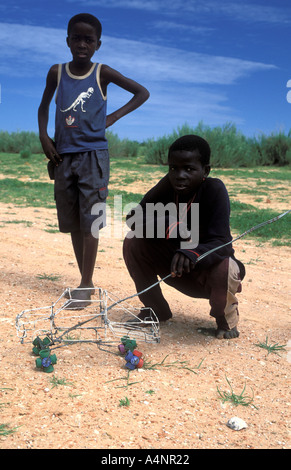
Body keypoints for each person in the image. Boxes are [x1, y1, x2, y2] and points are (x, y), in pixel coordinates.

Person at [38, 13, 149, 308]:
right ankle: (82, 279)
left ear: (98, 44)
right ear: (67, 41)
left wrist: (112, 117)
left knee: (91, 222)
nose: (82, 44)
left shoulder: (102, 73)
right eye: (77, 38)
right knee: (74, 221)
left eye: (89, 39)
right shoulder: (56, 72)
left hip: (93, 157)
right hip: (63, 157)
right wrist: (44, 137)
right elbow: (43, 107)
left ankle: (86, 284)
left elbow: (142, 92)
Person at [123, 135, 245, 339]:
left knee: (226, 267)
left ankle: (226, 320)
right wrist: (167, 222)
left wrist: (194, 252)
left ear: (205, 170)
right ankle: (155, 310)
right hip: (175, 268)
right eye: (173, 168)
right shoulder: (168, 185)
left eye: (189, 169)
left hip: (206, 273)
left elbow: (222, 243)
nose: (179, 175)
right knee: (133, 241)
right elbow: (133, 219)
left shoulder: (214, 190)